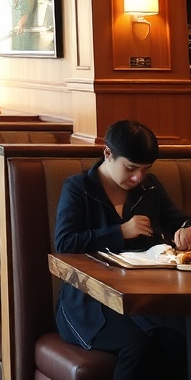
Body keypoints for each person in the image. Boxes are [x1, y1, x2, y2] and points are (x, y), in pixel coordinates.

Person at [55, 119, 191, 380]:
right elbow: (65, 243)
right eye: (130, 168)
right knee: (137, 347)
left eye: (145, 169)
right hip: (87, 298)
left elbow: (179, 219)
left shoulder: (149, 187)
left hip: (141, 294)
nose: (138, 177)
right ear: (108, 153)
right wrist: (121, 232)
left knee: (176, 338)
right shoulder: (78, 188)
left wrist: (187, 228)